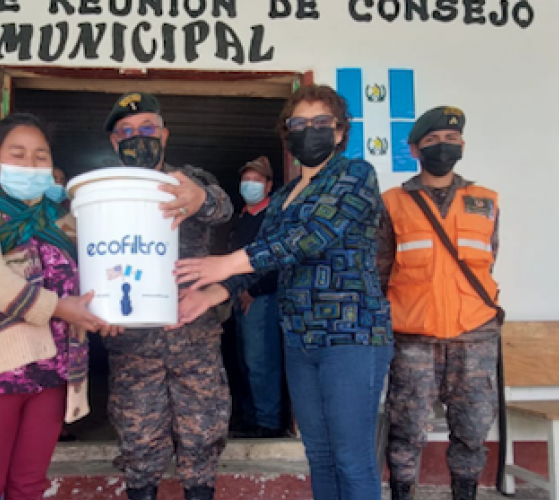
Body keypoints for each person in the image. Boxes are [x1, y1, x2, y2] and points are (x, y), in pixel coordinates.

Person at [173, 84, 393, 500]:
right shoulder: (283, 198)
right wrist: (216, 291)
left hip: (351, 338)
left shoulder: (355, 175)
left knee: (352, 457)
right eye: (299, 124)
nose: (309, 131)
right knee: (321, 454)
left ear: (341, 131)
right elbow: (267, 259)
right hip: (299, 338)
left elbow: (314, 236)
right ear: (287, 134)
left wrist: (228, 263)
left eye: (321, 123)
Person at [0, 113, 112, 500]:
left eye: (40, 156)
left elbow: (103, 266)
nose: (30, 164)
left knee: (28, 487)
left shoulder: (62, 219)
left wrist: (114, 311)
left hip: (49, 370)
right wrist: (62, 309)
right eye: (18, 154)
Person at [103, 92, 233, 500]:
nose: (137, 137)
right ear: (113, 142)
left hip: (193, 332)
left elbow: (222, 208)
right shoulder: (104, 189)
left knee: (203, 435)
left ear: (164, 134)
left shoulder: (188, 181)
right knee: (139, 441)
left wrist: (201, 198)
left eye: (147, 129)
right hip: (132, 340)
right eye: (126, 132)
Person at [377, 106, 501, 500]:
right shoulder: (392, 202)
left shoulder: (485, 201)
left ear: (462, 145)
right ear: (414, 149)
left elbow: (488, 259)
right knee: (407, 428)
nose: (442, 147)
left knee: (473, 429)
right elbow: (380, 269)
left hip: (474, 335)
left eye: (450, 140)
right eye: (431, 141)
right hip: (413, 337)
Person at [228, 156, 283, 439]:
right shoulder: (243, 217)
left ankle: (268, 421)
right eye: (246, 180)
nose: (250, 185)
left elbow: (277, 261)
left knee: (261, 360)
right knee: (245, 361)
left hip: (261, 298)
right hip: (240, 297)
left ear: (269, 185)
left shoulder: (273, 216)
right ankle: (250, 418)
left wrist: (253, 290)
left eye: (257, 180)